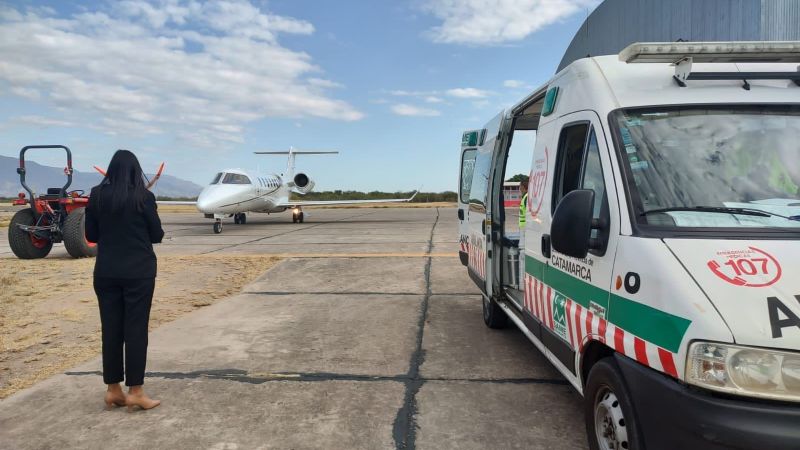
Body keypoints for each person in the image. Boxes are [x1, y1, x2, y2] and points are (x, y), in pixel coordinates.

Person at [85, 149, 164, 412]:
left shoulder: (96, 195)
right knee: (135, 330)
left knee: (111, 330)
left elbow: (91, 234)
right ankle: (136, 391)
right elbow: (156, 234)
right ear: (135, 171)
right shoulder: (144, 197)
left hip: (106, 271)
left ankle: (113, 389)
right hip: (138, 272)